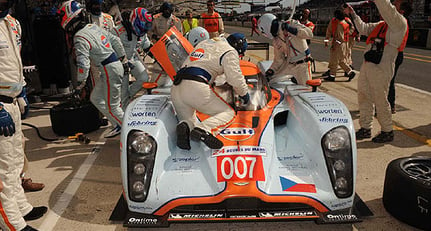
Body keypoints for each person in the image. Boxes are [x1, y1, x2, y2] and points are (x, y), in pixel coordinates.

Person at [0, 1, 48, 230]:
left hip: (12, 100)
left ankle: (20, 207)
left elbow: (12, 64)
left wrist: (21, 93)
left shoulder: (11, 23)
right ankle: (12, 223)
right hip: (0, 106)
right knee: (4, 167)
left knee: (16, 160)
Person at [344, 0, 410, 143]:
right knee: (364, 95)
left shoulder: (400, 23)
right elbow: (363, 28)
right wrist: (353, 14)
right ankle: (365, 128)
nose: (392, 4)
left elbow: (386, 8)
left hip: (383, 65)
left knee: (380, 98)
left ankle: (387, 130)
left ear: (402, 10)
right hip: (369, 64)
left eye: (396, 4)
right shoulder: (381, 25)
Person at [58, 0, 126, 138]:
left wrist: (80, 84)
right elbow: (115, 40)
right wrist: (123, 58)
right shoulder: (92, 27)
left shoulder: (79, 37)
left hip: (109, 69)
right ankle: (118, 124)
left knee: (113, 107)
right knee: (95, 98)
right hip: (113, 67)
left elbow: (83, 64)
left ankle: (135, 132)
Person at [171, 33, 249, 150]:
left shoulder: (206, 43)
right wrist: (244, 94)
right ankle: (205, 129)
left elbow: (211, 71)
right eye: (241, 54)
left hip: (176, 88)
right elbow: (235, 79)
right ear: (238, 49)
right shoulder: (230, 51)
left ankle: (185, 126)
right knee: (228, 113)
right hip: (195, 86)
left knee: (190, 123)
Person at [257, 13, 313, 86]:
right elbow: (279, 59)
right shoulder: (276, 40)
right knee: (270, 81)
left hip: (303, 65)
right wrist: (271, 70)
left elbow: (309, 34)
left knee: (307, 89)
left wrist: (292, 30)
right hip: (290, 65)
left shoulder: (291, 23)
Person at [113, 7, 152, 108]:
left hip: (133, 58)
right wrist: (121, 61)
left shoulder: (142, 33)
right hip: (119, 62)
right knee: (123, 94)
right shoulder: (117, 31)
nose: (144, 30)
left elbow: (147, 47)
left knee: (144, 78)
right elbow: (109, 50)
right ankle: (124, 106)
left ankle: (128, 95)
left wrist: (159, 58)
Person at [322, 9, 356, 81]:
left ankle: (348, 72)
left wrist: (334, 44)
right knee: (337, 60)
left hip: (339, 43)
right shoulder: (344, 22)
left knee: (337, 60)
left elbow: (339, 38)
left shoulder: (339, 24)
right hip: (344, 43)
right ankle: (334, 75)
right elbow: (329, 32)